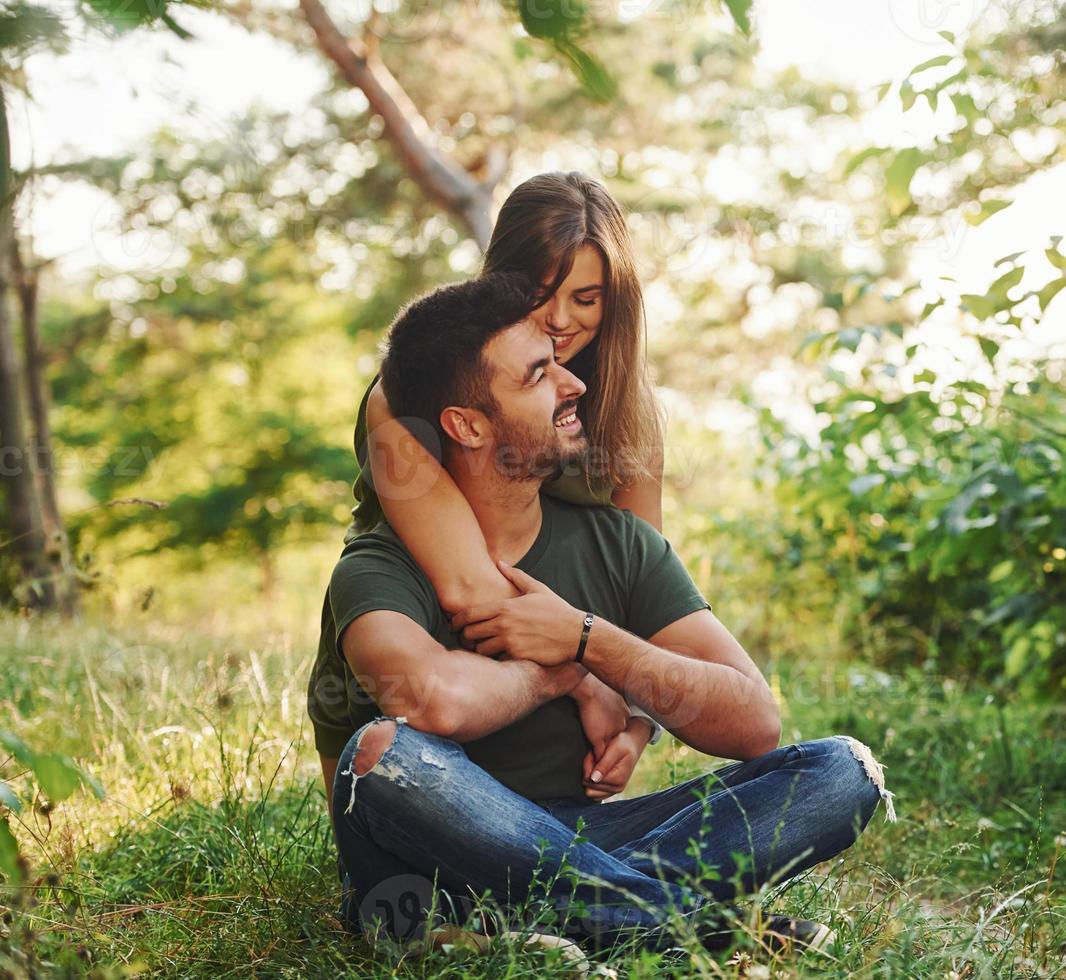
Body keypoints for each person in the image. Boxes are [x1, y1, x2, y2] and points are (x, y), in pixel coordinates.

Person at [305, 271, 893, 955]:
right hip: (432, 851)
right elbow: (431, 699)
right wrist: (559, 671)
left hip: (586, 840)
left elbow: (753, 720)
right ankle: (705, 931)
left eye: (559, 362)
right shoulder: (380, 565)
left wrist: (590, 641)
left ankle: (541, 924)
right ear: (465, 423)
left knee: (840, 773)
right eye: (537, 375)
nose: (573, 383)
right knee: (382, 757)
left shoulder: (616, 544)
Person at [321, 172, 664, 807]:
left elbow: (645, 591)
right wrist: (587, 676)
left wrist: (637, 720)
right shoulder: (401, 398)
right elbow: (472, 586)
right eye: (540, 293)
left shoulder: (625, 408)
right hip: (432, 630)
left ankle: (596, 890)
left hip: (557, 650)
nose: (561, 320)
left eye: (586, 298)